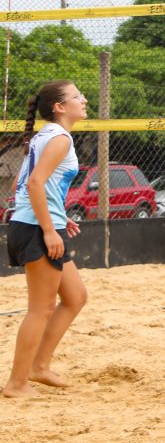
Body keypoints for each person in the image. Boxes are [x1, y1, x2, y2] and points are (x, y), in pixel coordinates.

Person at [3, 81, 88, 398]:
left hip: (37, 222)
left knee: (76, 296)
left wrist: (58, 216)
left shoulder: (45, 136)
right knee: (40, 309)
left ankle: (39, 367)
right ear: (59, 107)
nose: (84, 99)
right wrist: (51, 229)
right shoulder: (59, 139)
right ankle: (17, 383)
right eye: (77, 96)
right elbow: (35, 183)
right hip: (37, 228)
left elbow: (20, 186)